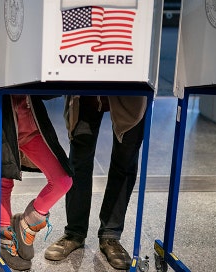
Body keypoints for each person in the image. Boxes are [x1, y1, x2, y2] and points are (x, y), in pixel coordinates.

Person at [0, 21, 73, 271]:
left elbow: (50, 91)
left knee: (63, 180)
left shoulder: (35, 35)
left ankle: (28, 224)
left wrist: (42, 67)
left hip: (32, 128)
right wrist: (2, 65)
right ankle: (4, 240)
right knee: (4, 184)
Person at [44, 95, 147, 270]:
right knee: (79, 156)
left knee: (126, 157)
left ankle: (111, 235)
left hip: (130, 79)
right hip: (87, 78)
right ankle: (74, 232)